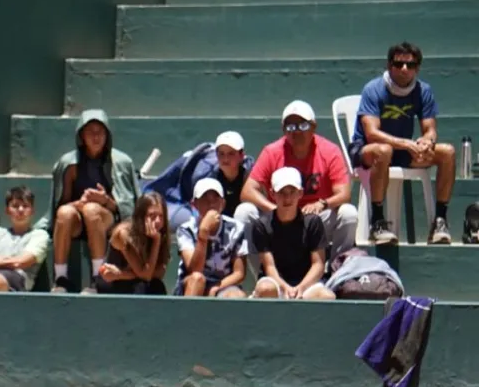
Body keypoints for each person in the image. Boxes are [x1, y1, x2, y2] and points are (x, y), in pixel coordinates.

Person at [348, 41, 455, 245]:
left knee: (447, 152)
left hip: (399, 152)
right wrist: (406, 143)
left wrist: (427, 141)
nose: (404, 69)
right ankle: (377, 222)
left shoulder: (423, 91)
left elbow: (430, 129)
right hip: (367, 150)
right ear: (389, 66)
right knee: (384, 149)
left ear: (417, 68)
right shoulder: (374, 89)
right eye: (398, 64)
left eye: (410, 65)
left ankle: (440, 221)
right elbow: (372, 134)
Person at [236, 100, 357, 266]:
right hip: (280, 217)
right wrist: (276, 210)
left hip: (316, 217)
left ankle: (339, 272)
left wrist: (322, 204)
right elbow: (248, 191)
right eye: (290, 127)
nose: (297, 132)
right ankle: (263, 281)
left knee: (349, 213)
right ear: (283, 130)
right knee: (244, 212)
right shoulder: (272, 151)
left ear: (313, 126)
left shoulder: (329, 151)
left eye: (302, 126)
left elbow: (344, 194)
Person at [46, 109, 140, 293]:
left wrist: (104, 200)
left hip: (108, 221)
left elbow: (126, 210)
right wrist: (77, 204)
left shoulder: (121, 162)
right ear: (81, 135)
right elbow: (60, 206)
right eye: (90, 132)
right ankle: (60, 278)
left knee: (92, 210)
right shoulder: (68, 163)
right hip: (78, 221)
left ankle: (99, 278)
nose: (96, 137)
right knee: (66, 213)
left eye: (100, 132)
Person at [250, 167, 336, 300]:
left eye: (292, 192)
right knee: (265, 289)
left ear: (300, 193)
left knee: (327, 296)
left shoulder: (313, 222)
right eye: (281, 192)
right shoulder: (261, 225)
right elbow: (269, 266)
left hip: (306, 284)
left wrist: (301, 288)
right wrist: (285, 288)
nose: (287, 198)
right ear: (272, 194)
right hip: (275, 284)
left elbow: (318, 264)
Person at [141, 131, 254, 228]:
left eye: (231, 154)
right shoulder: (204, 175)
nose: (225, 159)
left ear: (241, 155)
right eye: (221, 154)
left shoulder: (251, 174)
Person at [174, 179, 247, 298]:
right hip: (192, 283)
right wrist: (203, 233)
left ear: (222, 203)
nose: (211, 204)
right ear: (195, 204)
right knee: (197, 279)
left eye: (215, 199)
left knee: (237, 295)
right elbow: (194, 270)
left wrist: (216, 287)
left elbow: (239, 273)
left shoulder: (236, 228)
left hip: (223, 285)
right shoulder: (185, 230)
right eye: (205, 200)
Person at [94, 192, 169, 295]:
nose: (157, 221)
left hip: (122, 276)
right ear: (141, 216)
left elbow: (160, 272)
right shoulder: (124, 233)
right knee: (142, 286)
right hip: (112, 282)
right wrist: (156, 242)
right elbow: (145, 275)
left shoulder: (161, 235)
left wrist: (121, 274)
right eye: (152, 216)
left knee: (157, 286)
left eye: (161, 216)